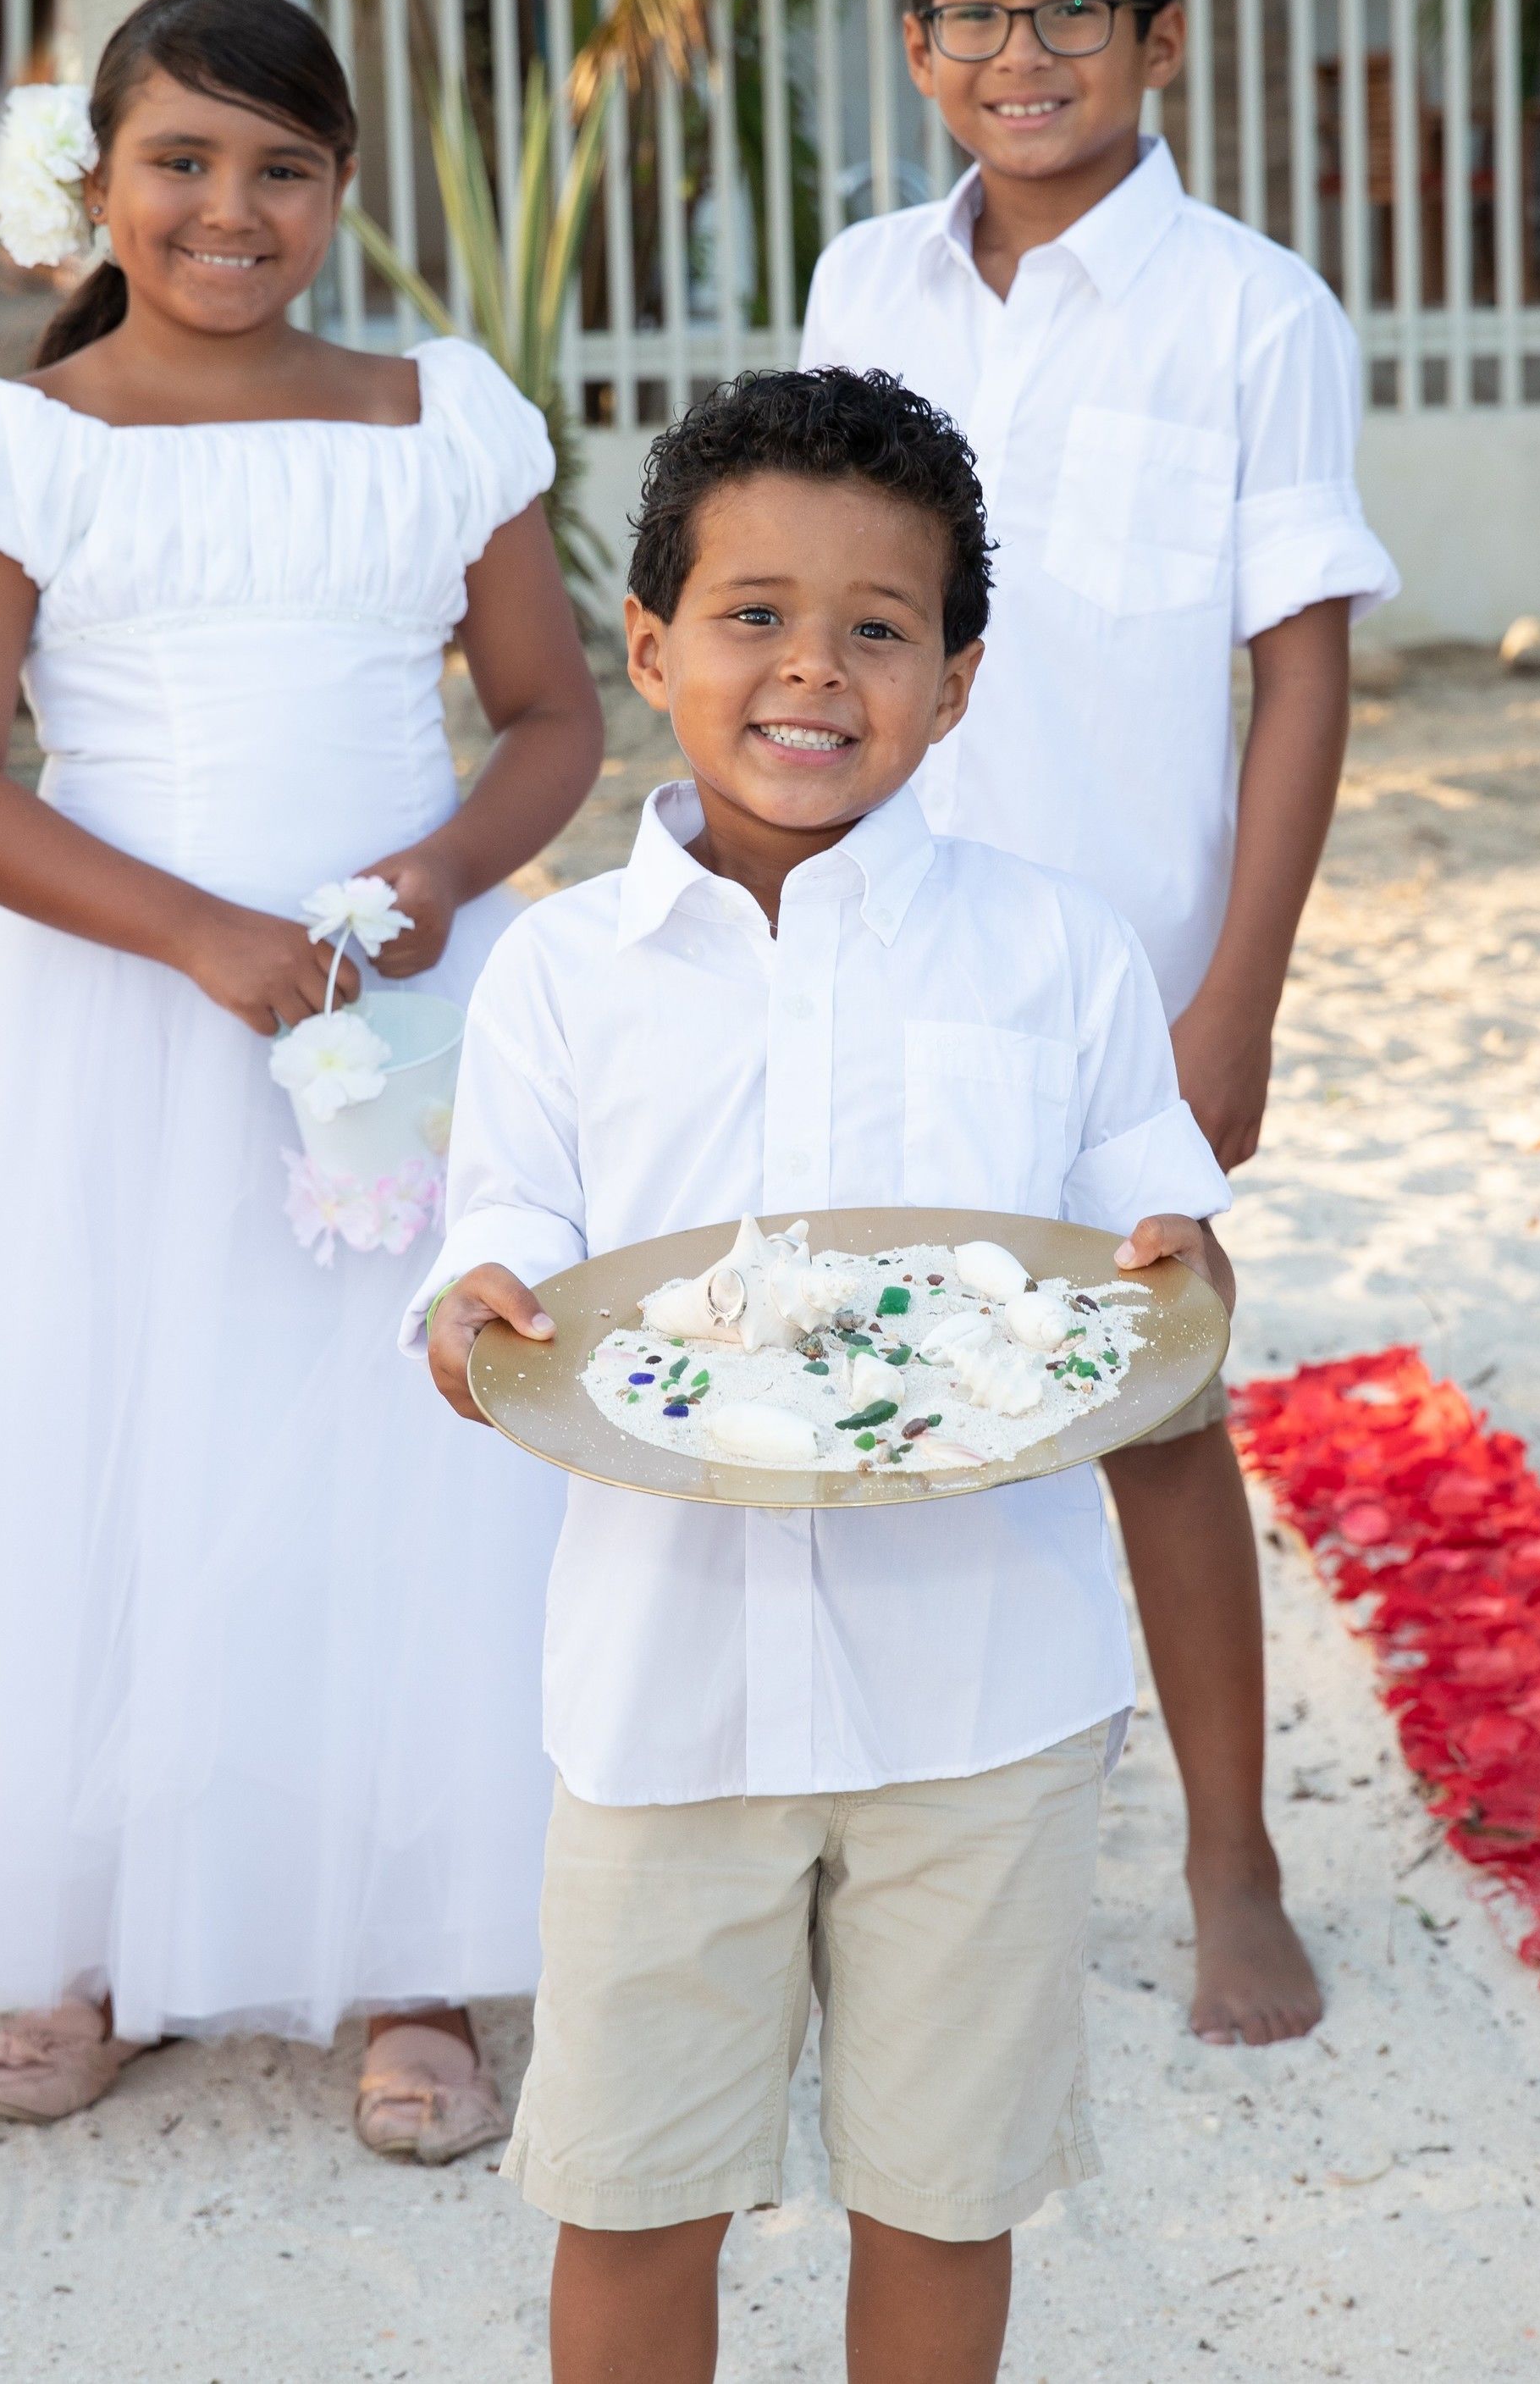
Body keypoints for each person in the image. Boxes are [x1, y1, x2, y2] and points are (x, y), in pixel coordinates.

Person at [0, 0, 604, 2160]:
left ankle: (412, 1950)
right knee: (107, 1440)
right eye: (185, 161)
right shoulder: (3, 441)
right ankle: (106, 1934)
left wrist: (429, 879)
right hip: (112, 1013)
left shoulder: (442, 415)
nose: (233, 212)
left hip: (396, 1008)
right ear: (101, 179)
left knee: (392, 1451)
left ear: (340, 189)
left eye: (284, 169)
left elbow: (550, 717)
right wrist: (203, 935)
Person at [415, 369, 1235, 2384]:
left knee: (946, 2196)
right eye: (753, 614)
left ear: (957, 680)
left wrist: (1175, 1268)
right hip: (659, 1702)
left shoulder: (1056, 951)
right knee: (627, 2193)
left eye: (879, 628)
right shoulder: (558, 973)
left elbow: (1158, 1262)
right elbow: (495, 1261)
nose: (814, 670)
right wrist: (473, 1312)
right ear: (648, 647)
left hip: (987, 1703)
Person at [798, 0, 1400, 2048]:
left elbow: (1302, 666)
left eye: (1069, 9)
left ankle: (1229, 1855)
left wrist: (1234, 989)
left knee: (1156, 1398)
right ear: (918, 43)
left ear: (1156, 36)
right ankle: (865, 1835)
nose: (1020, 49)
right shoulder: (867, 285)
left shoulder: (1255, 309)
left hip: (1126, 960)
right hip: (876, 912)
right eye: (975, 12)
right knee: (854, 1357)